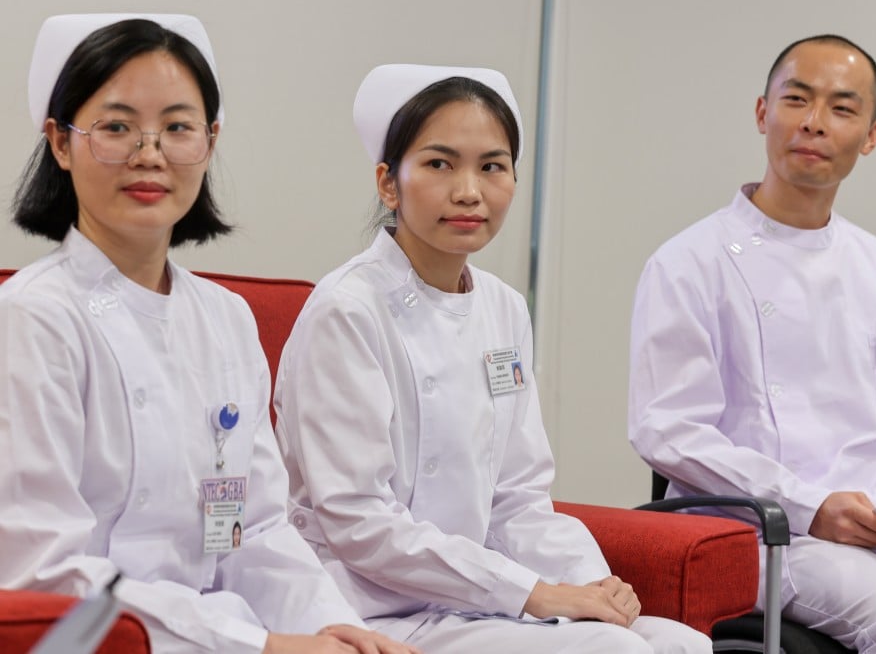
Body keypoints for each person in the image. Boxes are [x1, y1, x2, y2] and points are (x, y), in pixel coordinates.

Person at [0, 14, 417, 654]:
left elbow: (261, 532)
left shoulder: (226, 317)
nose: (150, 154)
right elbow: (44, 571)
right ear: (60, 142)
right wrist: (261, 645)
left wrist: (341, 633)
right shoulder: (33, 316)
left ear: (210, 140)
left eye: (177, 127)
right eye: (116, 127)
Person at [274, 64, 711, 653]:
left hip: (474, 599)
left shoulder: (503, 308)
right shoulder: (348, 310)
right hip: (369, 606)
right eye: (439, 163)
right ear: (388, 182)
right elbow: (359, 522)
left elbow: (518, 495)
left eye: (492, 166)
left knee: (679, 644)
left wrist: (591, 585)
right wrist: (534, 593)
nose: (468, 191)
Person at [628, 34, 876, 653]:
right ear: (763, 113)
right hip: (762, 534)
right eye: (797, 100)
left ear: (871, 135)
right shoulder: (689, 262)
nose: (814, 124)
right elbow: (667, 430)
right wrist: (810, 506)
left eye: (841, 108)